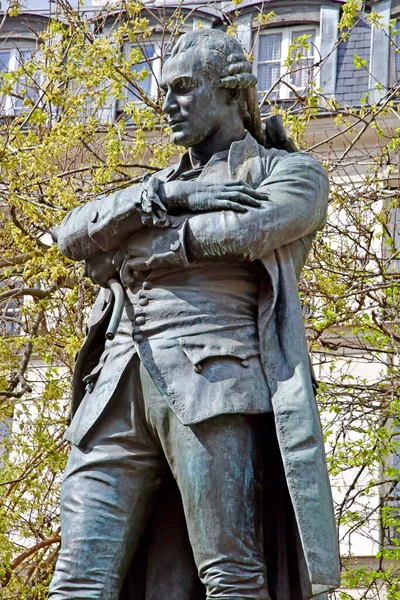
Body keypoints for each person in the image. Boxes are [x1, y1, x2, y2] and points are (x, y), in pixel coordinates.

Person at [49, 29, 340, 600]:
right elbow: (70, 235)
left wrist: (145, 246)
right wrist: (168, 198)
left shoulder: (288, 171)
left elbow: (251, 228)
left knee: (230, 573)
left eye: (183, 88)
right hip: (116, 389)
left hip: (212, 381)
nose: (167, 105)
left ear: (232, 90)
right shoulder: (158, 189)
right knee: (77, 581)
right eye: (163, 91)